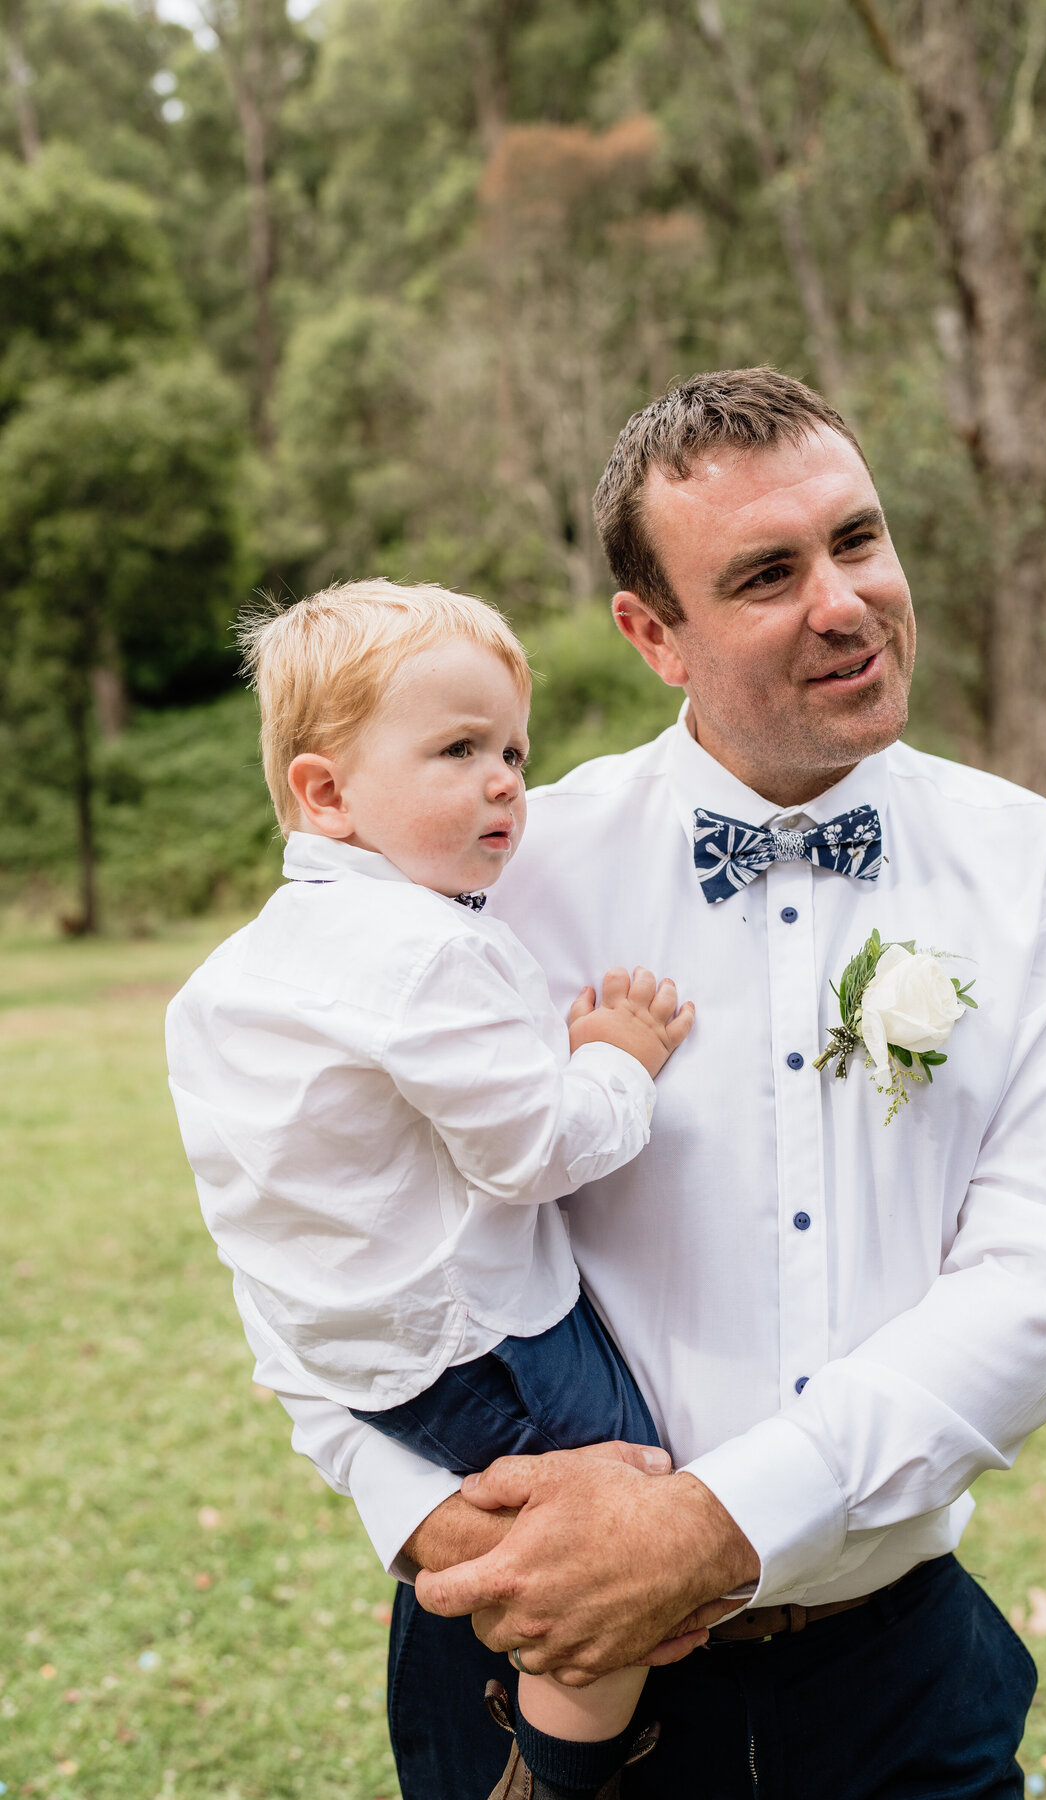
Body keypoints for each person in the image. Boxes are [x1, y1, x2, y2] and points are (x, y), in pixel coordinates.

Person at [235, 369, 1046, 1799]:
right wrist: (427, 1518)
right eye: (768, 574)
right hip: (523, 1652)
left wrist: (716, 1522)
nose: (843, 600)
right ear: (651, 632)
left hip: (895, 1674)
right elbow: (312, 1209)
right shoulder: (494, 871)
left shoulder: (1036, 870)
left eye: (858, 539)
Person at [165, 580, 698, 1799]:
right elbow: (534, 1151)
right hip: (492, 1340)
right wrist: (617, 1056)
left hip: (371, 1372)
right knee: (614, 1510)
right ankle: (564, 1772)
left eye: (512, 747)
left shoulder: (233, 978)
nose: (506, 778)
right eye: (458, 749)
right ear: (326, 792)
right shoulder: (428, 953)